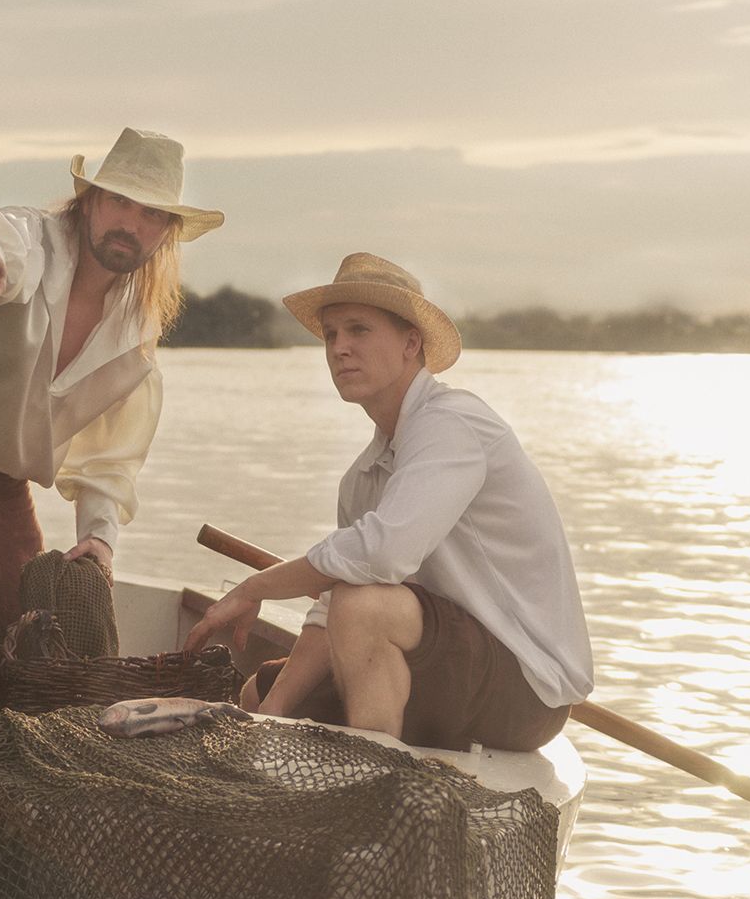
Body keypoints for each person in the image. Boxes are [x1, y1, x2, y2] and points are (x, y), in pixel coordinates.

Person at [0, 128, 224, 719]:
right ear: (89, 200)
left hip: (0, 483)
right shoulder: (31, 242)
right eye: (119, 201)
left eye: (152, 213)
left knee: (28, 637)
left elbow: (109, 460)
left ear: (167, 233)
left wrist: (100, 536)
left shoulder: (135, 334)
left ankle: (9, 747)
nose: (131, 223)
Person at [184, 253, 592, 752]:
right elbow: (332, 602)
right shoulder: (362, 477)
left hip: (525, 689)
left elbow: (381, 555)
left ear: (410, 344)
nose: (340, 348)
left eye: (359, 330)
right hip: (439, 664)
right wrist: (272, 712)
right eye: (331, 335)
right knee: (259, 690)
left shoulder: (452, 423)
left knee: (363, 606)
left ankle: (375, 779)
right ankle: (354, 748)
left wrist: (256, 588)